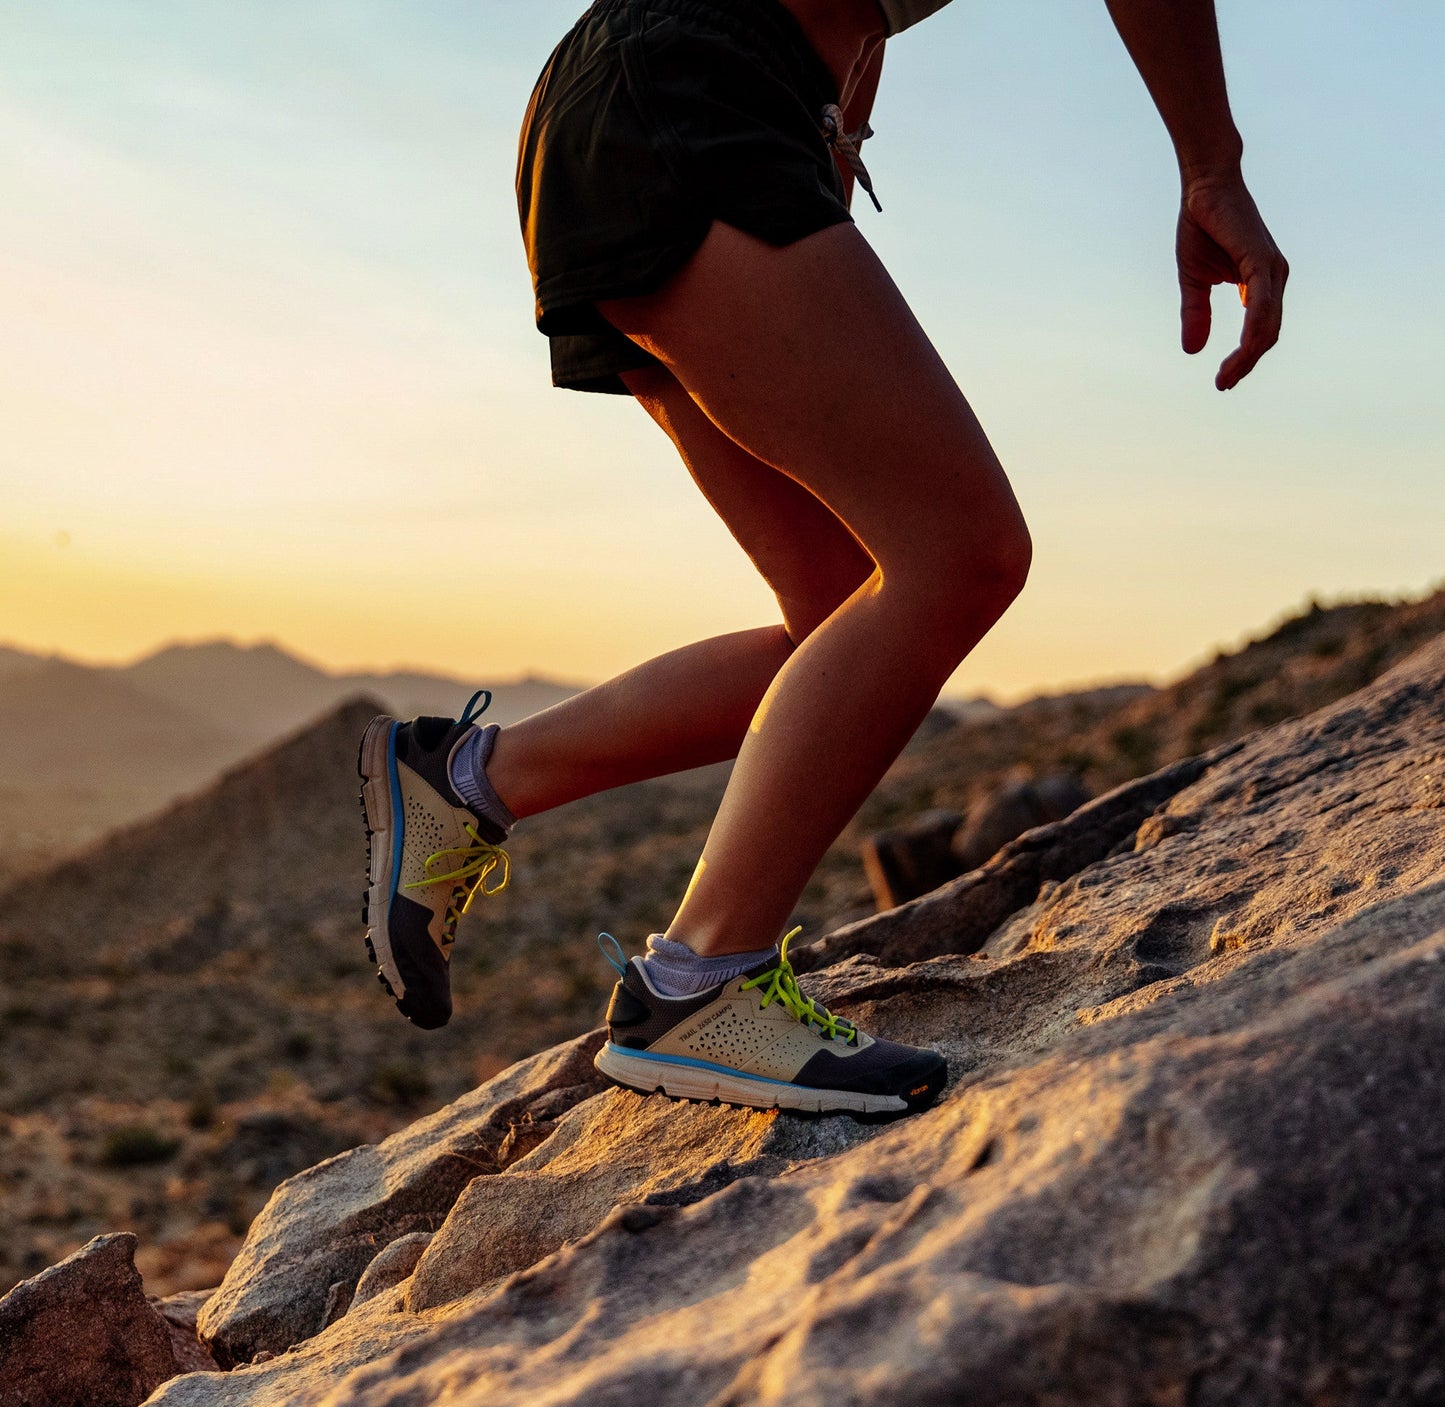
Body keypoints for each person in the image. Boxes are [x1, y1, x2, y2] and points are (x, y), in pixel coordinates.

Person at [359, 0, 1287, 1116]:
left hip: (637, 103)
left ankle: (466, 779)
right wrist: (1208, 166)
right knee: (961, 555)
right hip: (689, 89)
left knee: (845, 615)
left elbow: (859, 26)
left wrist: (819, 176)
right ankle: (699, 984)